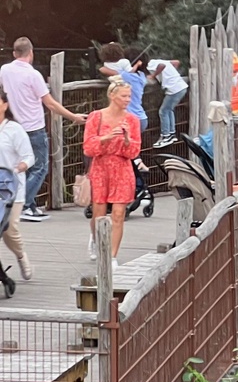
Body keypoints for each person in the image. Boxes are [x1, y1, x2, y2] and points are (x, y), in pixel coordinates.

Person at [1, 38, 85, 220]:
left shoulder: (5, 70)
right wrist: (74, 117)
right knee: (40, 168)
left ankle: (30, 205)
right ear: (31, 53)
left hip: (15, 127)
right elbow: (51, 104)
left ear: (14, 53)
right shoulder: (33, 75)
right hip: (34, 128)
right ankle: (21, 205)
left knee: (22, 167)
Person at [83, 77, 141, 262]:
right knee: (99, 213)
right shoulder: (96, 117)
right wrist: (106, 137)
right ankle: (95, 238)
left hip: (122, 168)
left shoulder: (133, 120)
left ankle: (111, 256)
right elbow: (88, 147)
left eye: (129, 96)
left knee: (118, 213)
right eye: (124, 96)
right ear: (112, 95)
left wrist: (126, 139)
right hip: (101, 167)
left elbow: (134, 151)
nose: (127, 99)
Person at [0, 90, 34, 281]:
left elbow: (29, 157)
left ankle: (21, 255)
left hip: (10, 187)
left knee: (9, 228)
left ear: (5, 105)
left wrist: (20, 167)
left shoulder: (14, 129)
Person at [148, 56, 188, 144]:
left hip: (174, 90)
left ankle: (165, 135)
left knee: (163, 111)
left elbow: (161, 66)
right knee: (169, 110)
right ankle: (171, 134)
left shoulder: (150, 64)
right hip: (181, 87)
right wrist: (171, 76)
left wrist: (153, 75)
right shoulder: (159, 60)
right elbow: (176, 62)